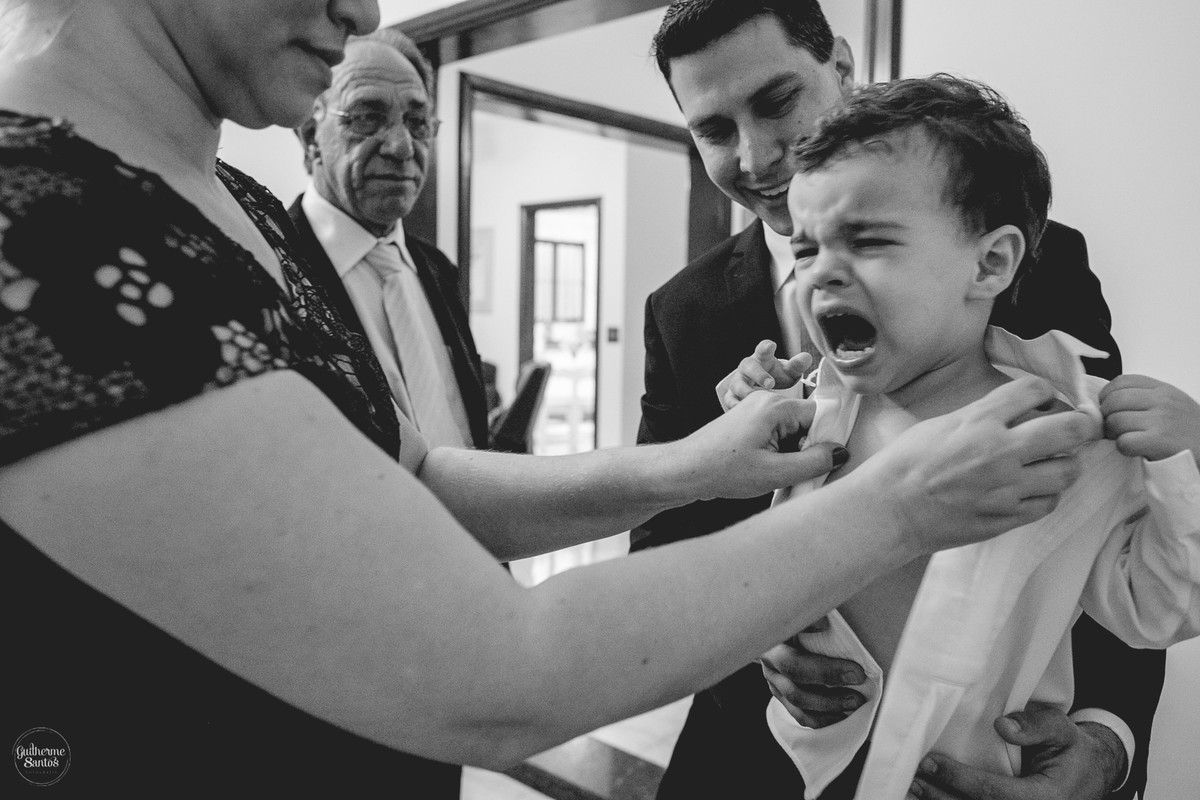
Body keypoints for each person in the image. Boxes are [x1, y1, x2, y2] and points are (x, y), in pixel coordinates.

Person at [0, 0, 1095, 794]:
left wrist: (697, 463)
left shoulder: (230, 197)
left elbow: (415, 475)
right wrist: (894, 506)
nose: (365, 11)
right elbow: (494, 672)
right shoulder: (34, 215)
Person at [634, 2, 1165, 798]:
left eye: (776, 101)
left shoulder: (1036, 261)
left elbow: (1102, 508)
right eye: (713, 129)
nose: (754, 156)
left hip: (980, 754)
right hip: (753, 762)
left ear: (843, 69)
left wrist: (1106, 741)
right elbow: (663, 547)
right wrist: (747, 636)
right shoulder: (682, 312)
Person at [289, 28, 489, 450]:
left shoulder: (439, 269)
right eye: (366, 117)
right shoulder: (271, 267)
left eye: (417, 123)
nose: (401, 147)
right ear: (310, 136)